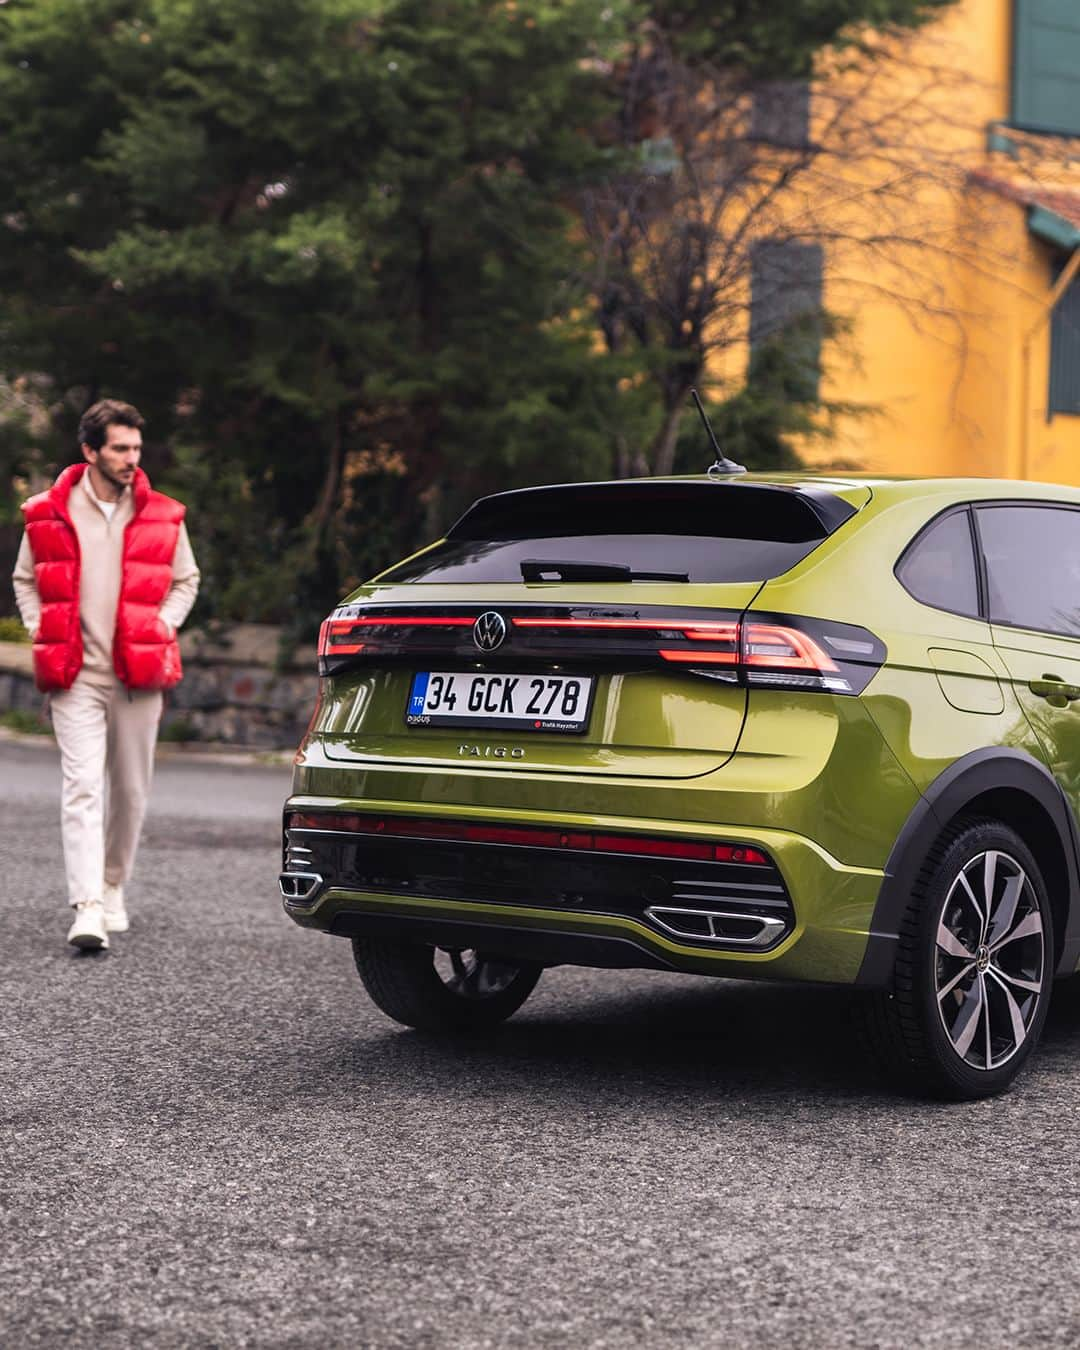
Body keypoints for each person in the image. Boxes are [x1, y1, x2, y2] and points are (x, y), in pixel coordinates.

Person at [12, 398, 200, 951]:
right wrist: (39, 626)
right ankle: (88, 905)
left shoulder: (164, 514)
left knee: (131, 790)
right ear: (90, 450)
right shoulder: (48, 512)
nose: (130, 458)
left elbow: (185, 580)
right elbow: (26, 580)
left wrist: (161, 625)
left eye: (136, 448)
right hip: (76, 674)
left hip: (139, 674)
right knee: (81, 787)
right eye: (120, 448)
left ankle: (114, 884)